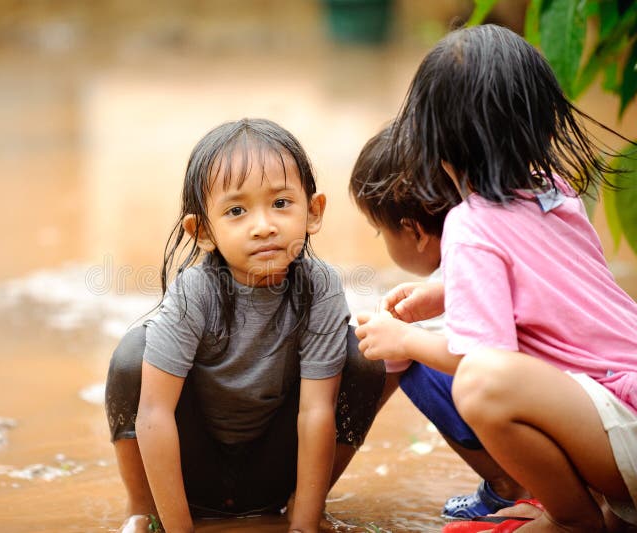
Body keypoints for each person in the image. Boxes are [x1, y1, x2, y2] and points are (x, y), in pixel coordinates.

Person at [357, 24, 637, 533]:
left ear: (434, 141)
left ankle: (572, 518)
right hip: (623, 408)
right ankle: (602, 509)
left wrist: (405, 340)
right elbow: (554, 287)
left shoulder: (470, 225)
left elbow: (483, 362)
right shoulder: (553, 190)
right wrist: (446, 293)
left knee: (481, 384)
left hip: (624, 426)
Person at [105, 118, 385, 533]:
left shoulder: (319, 287)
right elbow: (154, 412)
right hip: (192, 466)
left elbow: (316, 411)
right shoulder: (195, 292)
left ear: (313, 212)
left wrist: (303, 527)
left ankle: (304, 502)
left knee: (363, 356)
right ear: (202, 232)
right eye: (237, 211)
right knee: (133, 357)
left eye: (281, 203)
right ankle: (145, 512)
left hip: (271, 468)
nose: (264, 226)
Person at [348, 124, 530, 520]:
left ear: (414, 231)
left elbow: (488, 359)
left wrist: (402, 341)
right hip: (585, 405)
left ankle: (509, 486)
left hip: (540, 413)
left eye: (380, 232)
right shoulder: (511, 224)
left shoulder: (464, 258)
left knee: (415, 361)